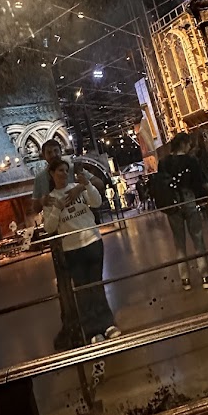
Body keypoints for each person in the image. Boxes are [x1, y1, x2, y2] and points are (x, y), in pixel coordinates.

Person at [43, 159, 121, 344]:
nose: (64, 173)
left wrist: (86, 185)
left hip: (92, 241)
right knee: (82, 290)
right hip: (72, 249)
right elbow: (49, 227)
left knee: (96, 285)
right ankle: (92, 330)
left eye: (66, 170)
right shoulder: (51, 199)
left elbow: (96, 202)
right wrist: (57, 209)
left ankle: (107, 324)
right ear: (52, 174)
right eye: (60, 171)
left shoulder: (76, 188)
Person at [157, 132, 208, 291]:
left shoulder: (163, 162)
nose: (190, 146)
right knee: (197, 239)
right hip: (188, 200)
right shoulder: (191, 161)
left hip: (172, 205)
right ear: (183, 143)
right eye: (189, 143)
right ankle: (205, 277)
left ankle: (185, 280)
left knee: (179, 243)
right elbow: (201, 183)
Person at [31, 138, 94, 212]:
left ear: (61, 152)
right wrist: (41, 201)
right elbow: (35, 209)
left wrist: (80, 188)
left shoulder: (74, 169)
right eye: (49, 152)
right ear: (44, 156)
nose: (53, 155)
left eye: (56, 151)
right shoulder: (39, 178)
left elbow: (99, 183)